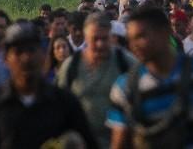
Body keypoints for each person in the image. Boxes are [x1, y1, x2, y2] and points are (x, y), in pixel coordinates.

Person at [107, 6, 193, 149]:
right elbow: (119, 143)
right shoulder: (125, 87)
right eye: (131, 39)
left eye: (141, 36)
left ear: (165, 32)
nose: (134, 45)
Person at [0, 22, 98, 149]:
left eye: (31, 50)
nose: (26, 58)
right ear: (5, 59)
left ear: (43, 55)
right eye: (18, 52)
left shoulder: (65, 103)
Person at [57, 12, 136, 148]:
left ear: (111, 37)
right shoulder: (71, 66)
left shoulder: (125, 62)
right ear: (86, 38)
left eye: (104, 39)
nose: (100, 44)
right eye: (95, 39)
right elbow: (59, 106)